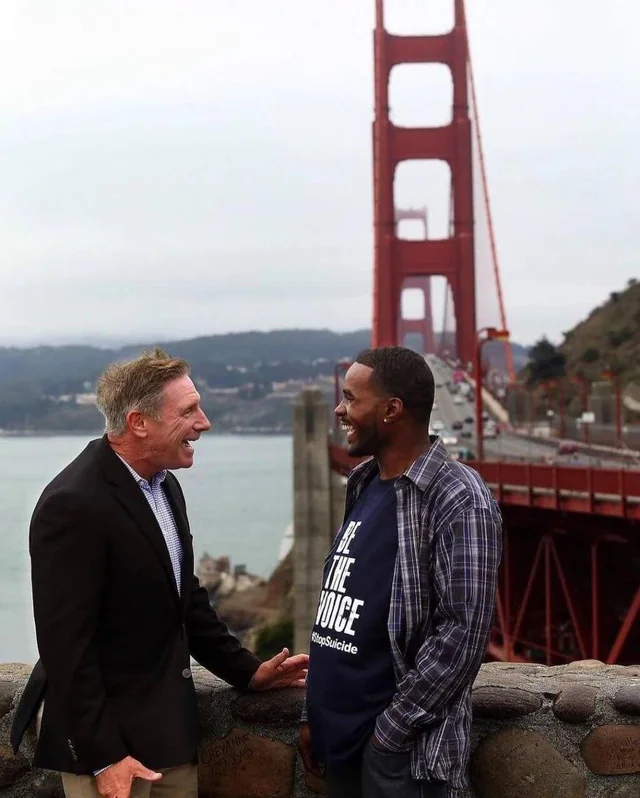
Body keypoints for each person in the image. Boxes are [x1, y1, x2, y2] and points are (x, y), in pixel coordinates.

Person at [11, 348, 308, 798]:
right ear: (139, 422)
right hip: (110, 755)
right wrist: (104, 757)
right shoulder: (72, 503)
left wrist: (249, 673)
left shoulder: (164, 486)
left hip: (167, 741)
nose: (204, 422)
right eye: (188, 411)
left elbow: (184, 599)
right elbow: (64, 647)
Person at [298, 347, 502, 798]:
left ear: (391, 410)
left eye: (351, 398)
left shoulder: (459, 497)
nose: (339, 410)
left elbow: (463, 634)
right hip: (340, 745)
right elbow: (341, 607)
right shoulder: (364, 481)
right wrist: (315, 715)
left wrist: (388, 736)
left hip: (400, 760)